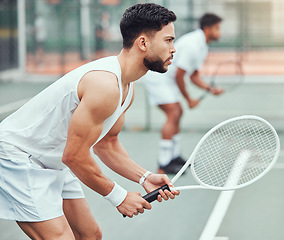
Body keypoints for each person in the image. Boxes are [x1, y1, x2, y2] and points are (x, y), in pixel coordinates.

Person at [0, 3, 179, 239]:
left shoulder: (127, 87)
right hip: (18, 156)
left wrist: (144, 177)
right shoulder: (104, 85)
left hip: (51, 159)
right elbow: (74, 156)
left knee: (90, 234)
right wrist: (120, 196)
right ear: (143, 43)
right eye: (168, 40)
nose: (174, 49)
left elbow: (107, 144)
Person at [142, 13, 224, 174]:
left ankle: (174, 156)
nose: (219, 32)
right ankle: (164, 163)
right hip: (159, 78)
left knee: (178, 113)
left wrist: (209, 89)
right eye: (217, 28)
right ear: (207, 29)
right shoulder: (192, 45)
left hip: (169, 79)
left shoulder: (202, 44)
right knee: (174, 112)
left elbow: (193, 76)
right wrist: (189, 99)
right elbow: (180, 75)